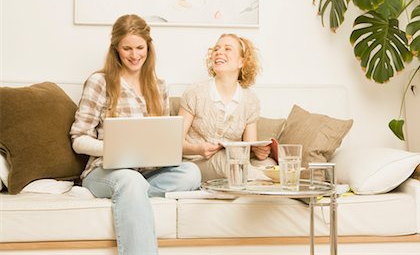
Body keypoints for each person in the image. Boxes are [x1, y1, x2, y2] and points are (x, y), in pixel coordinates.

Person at [70, 14, 201, 255]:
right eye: (126, 48)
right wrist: (115, 150)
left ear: (148, 47)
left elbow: (161, 136)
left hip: (146, 171)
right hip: (105, 171)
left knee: (191, 172)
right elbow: (78, 140)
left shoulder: (159, 85)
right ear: (116, 49)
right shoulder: (100, 82)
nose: (134, 55)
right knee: (129, 181)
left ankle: (131, 195)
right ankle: (129, 193)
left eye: (140, 47)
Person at [178, 33, 276, 181]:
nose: (219, 52)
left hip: (235, 162)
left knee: (268, 163)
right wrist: (198, 149)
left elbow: (249, 146)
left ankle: (275, 183)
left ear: (241, 62)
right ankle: (276, 184)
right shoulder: (195, 93)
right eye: (216, 49)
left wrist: (258, 151)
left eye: (227, 49)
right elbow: (175, 141)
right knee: (226, 160)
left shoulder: (250, 100)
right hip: (196, 164)